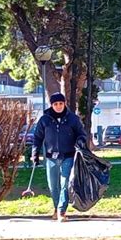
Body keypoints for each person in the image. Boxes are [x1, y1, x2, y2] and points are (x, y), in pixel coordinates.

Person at [31, 92, 87, 222]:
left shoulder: (73, 119)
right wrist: (35, 154)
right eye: (55, 104)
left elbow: (82, 134)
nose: (58, 106)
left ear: (64, 103)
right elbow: (37, 138)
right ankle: (56, 207)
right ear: (51, 105)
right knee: (53, 186)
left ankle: (62, 210)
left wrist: (79, 141)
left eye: (61, 103)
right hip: (50, 157)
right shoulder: (45, 119)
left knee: (65, 184)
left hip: (68, 156)